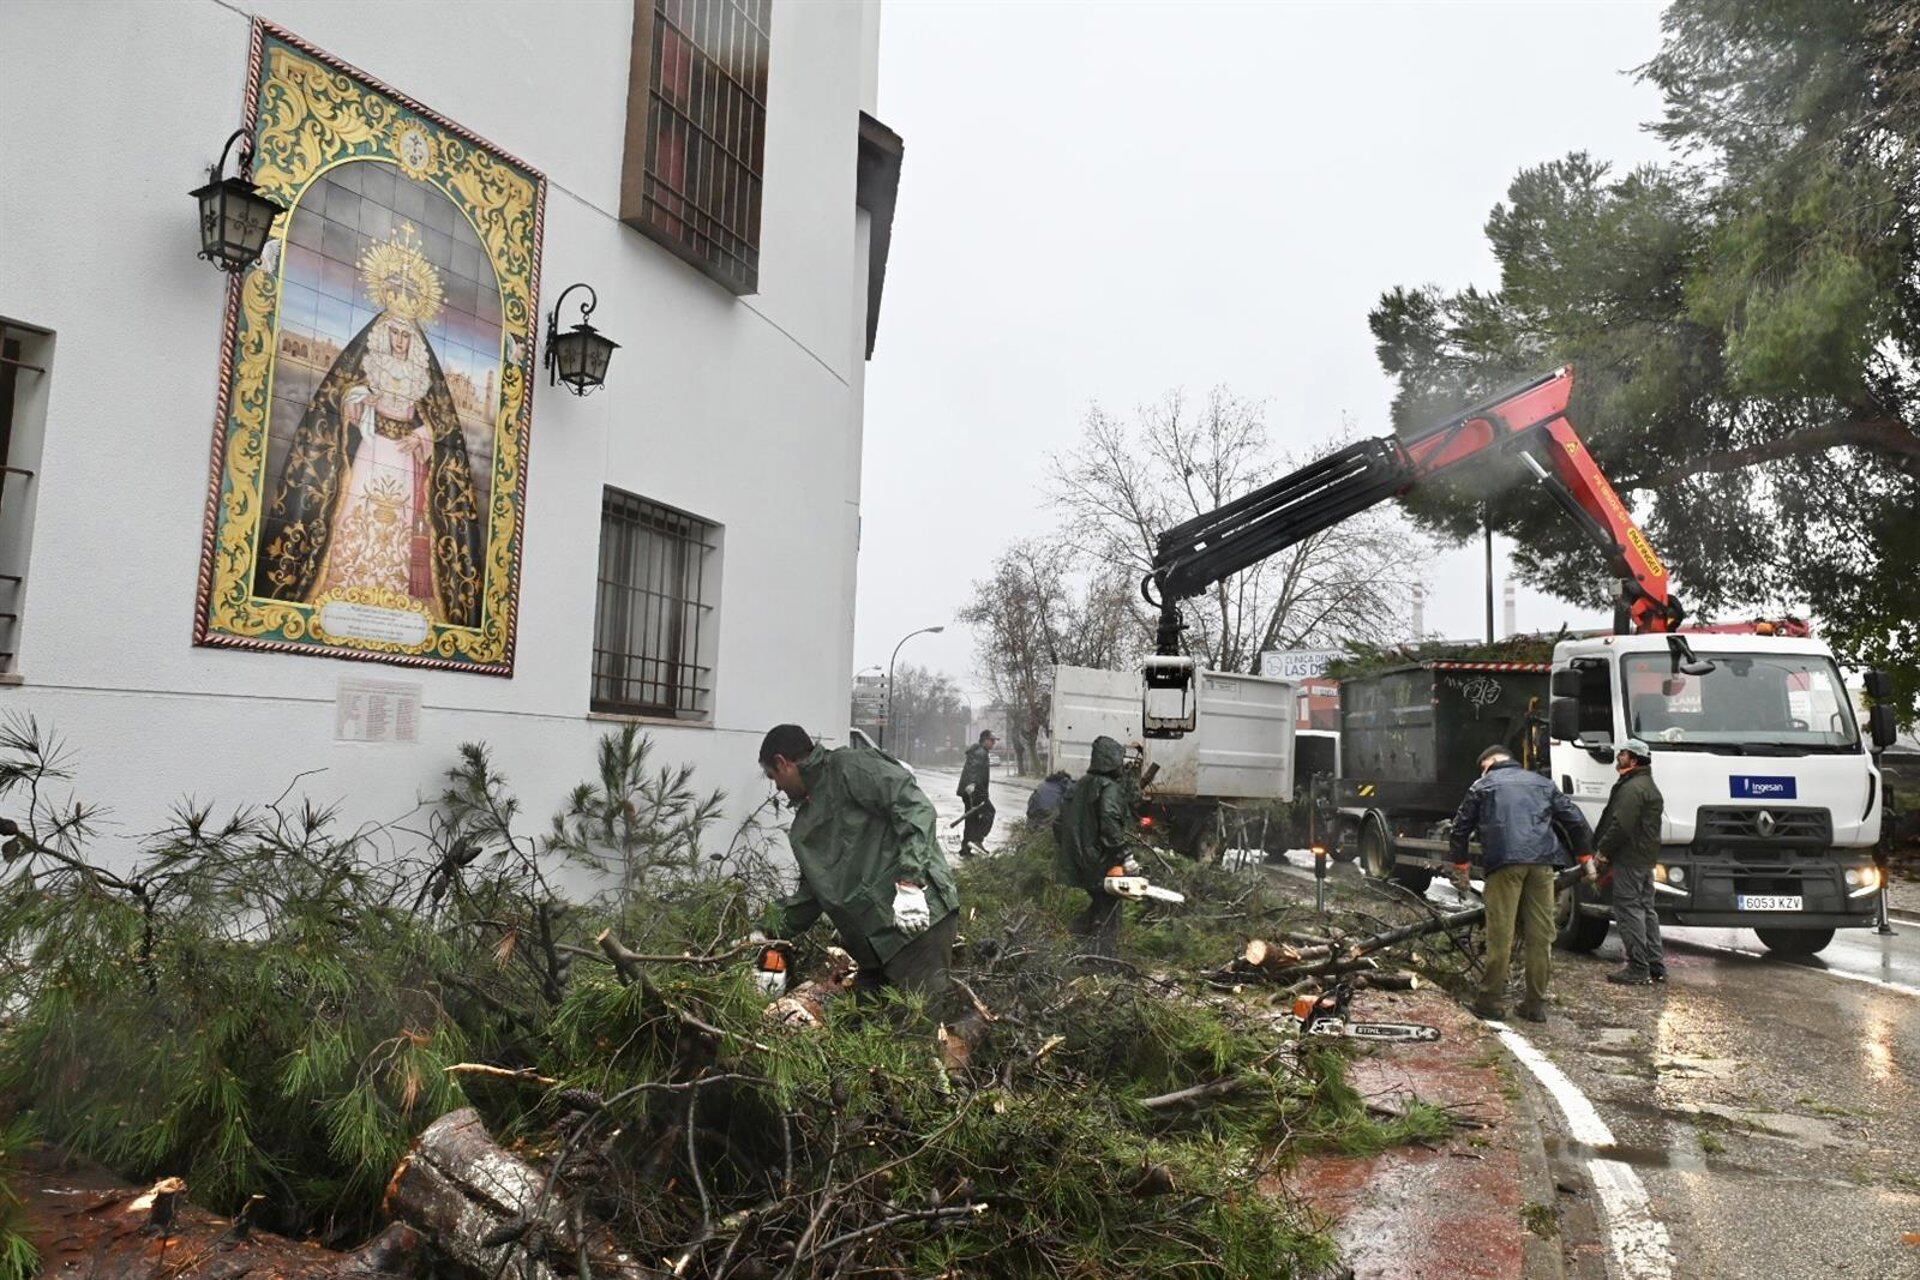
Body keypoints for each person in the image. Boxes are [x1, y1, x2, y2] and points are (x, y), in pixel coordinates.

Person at [757, 724, 960, 1003]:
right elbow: (811, 897)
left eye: (773, 776)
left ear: (783, 762)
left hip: (916, 924)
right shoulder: (804, 826)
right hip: (876, 948)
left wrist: (911, 882)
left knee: (921, 1027)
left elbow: (915, 809)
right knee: (863, 1023)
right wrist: (765, 930)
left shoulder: (849, 767)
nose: (777, 787)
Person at [1448, 745, 1596, 1023]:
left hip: (1504, 863)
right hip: (1542, 864)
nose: (1483, 771)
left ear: (1491, 761)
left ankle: (1490, 1001)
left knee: (1500, 934)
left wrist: (1461, 867)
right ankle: (1535, 1004)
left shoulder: (1482, 785)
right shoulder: (1542, 783)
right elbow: (1575, 819)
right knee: (1541, 936)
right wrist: (1585, 855)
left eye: (1484, 766)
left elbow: (1460, 828)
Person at [1594, 738, 1667, 985]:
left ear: (1633, 759)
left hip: (1629, 859)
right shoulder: (1646, 784)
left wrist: (1603, 850)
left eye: (1622, 754)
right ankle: (1656, 965)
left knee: (1629, 910)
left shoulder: (1633, 788)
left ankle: (1638, 967)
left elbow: (1621, 825)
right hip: (1645, 859)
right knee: (1647, 910)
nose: (1618, 757)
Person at [1055, 735, 1132, 956]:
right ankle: (1102, 957)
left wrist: (1070, 851)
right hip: (1100, 861)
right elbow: (1110, 824)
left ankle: (1072, 942)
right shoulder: (1109, 788)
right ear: (1112, 761)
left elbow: (1059, 824)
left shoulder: (1079, 785)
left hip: (1078, 860)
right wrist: (1125, 855)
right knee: (1109, 909)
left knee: (1098, 905)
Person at [958, 730, 997, 856]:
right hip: (974, 791)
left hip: (970, 790)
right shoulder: (981, 753)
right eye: (992, 740)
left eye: (994, 741)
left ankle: (966, 848)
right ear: (985, 740)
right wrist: (974, 788)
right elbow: (974, 770)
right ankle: (977, 839)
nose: (993, 743)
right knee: (990, 811)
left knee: (971, 819)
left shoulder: (978, 751)